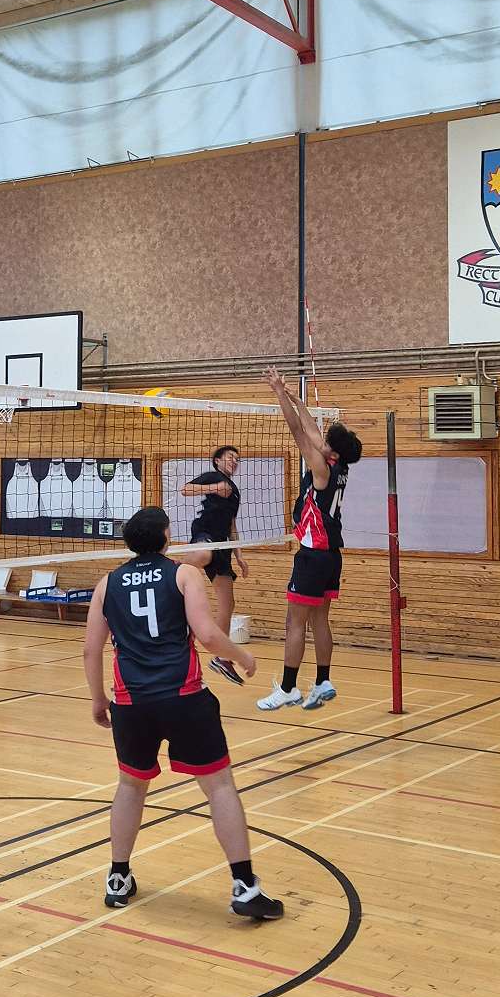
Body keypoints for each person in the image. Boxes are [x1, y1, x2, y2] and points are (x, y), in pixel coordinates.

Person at [84, 506, 281, 923]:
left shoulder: (107, 584)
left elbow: (90, 649)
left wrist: (99, 699)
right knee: (220, 787)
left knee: (130, 786)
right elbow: (207, 635)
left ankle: (117, 877)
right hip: (183, 697)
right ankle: (245, 886)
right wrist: (243, 656)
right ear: (165, 537)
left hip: (131, 703)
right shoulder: (183, 574)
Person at [257, 369, 363, 713]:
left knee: (295, 622)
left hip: (313, 554)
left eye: (328, 443)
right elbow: (313, 431)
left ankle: (288, 688)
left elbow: (299, 432)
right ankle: (322, 681)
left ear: (333, 453)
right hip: (332, 556)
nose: (322, 441)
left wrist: (278, 393)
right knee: (320, 620)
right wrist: (293, 394)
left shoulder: (322, 470)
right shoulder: (338, 467)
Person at [180, 445, 248, 682]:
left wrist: (239, 555)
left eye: (237, 459)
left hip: (223, 545)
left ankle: (222, 657)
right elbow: (185, 489)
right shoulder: (213, 477)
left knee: (228, 603)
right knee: (203, 554)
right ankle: (171, 568)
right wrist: (214, 488)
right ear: (218, 461)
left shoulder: (235, 491)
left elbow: (232, 525)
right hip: (205, 534)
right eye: (230, 457)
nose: (234, 461)